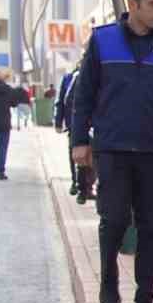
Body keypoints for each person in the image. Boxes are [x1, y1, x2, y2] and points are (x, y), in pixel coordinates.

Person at [69, 0, 153, 303]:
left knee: (151, 228)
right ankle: (108, 279)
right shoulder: (103, 41)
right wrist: (79, 140)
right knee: (115, 220)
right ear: (133, 5)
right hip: (112, 149)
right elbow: (85, 96)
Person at [56, 66, 94, 202]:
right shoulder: (77, 77)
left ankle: (84, 189)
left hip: (91, 125)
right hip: (81, 125)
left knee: (90, 160)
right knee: (81, 159)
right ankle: (81, 189)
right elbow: (67, 101)